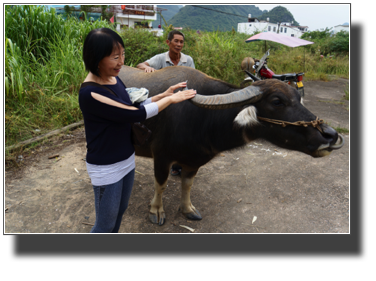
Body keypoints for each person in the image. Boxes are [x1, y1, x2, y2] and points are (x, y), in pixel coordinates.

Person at [79, 28, 196, 233]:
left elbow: (133, 105)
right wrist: (171, 99)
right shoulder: (91, 93)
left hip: (126, 160)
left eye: (123, 54)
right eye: (115, 57)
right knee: (104, 224)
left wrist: (162, 95)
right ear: (96, 58)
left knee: (119, 212)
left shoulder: (113, 79)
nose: (122, 62)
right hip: (107, 168)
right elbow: (134, 115)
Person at [137, 30, 195, 176]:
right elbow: (140, 65)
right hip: (167, 100)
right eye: (176, 41)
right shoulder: (160, 58)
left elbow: (194, 78)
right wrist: (147, 67)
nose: (179, 44)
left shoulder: (188, 60)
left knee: (185, 133)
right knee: (170, 133)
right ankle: (173, 163)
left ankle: (181, 163)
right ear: (168, 42)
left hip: (183, 101)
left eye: (181, 42)